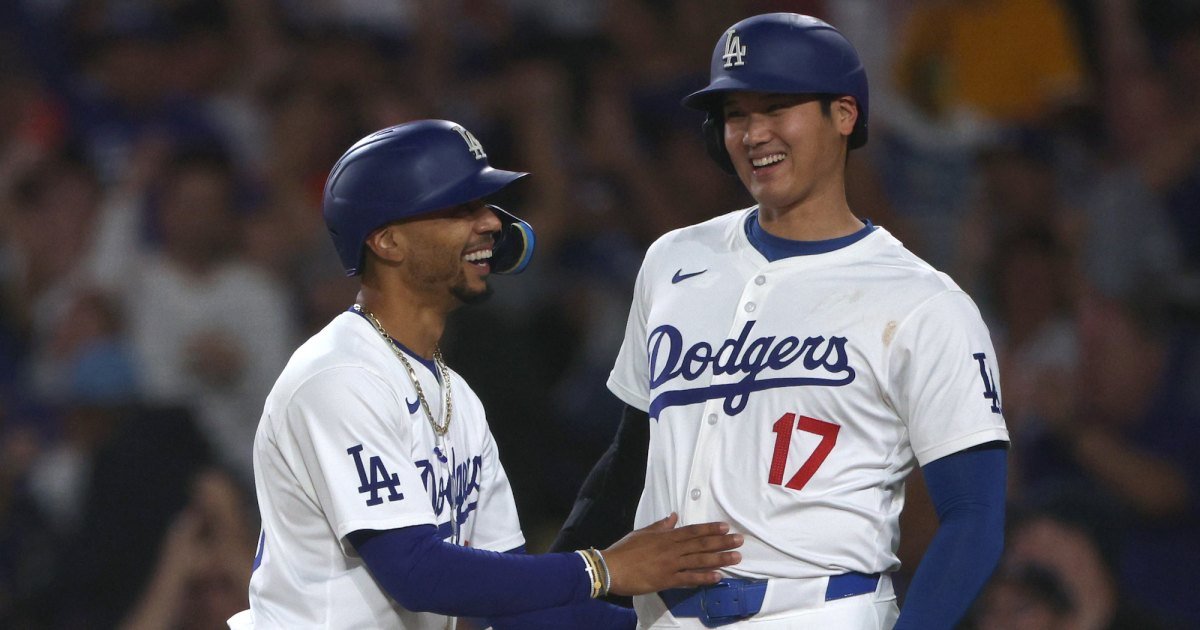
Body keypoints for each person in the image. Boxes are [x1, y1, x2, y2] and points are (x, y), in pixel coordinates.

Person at [552, 14, 1010, 629]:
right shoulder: (673, 260)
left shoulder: (923, 301)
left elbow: (973, 515)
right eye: (736, 114)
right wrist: (546, 594)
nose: (753, 133)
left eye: (776, 107)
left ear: (844, 115)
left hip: (818, 609)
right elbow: (628, 460)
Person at [228, 119, 744, 630]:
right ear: (388, 242)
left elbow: (513, 602)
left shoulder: (459, 398)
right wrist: (603, 569)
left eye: (486, 207)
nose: (494, 224)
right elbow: (415, 570)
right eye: (461, 209)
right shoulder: (340, 376)